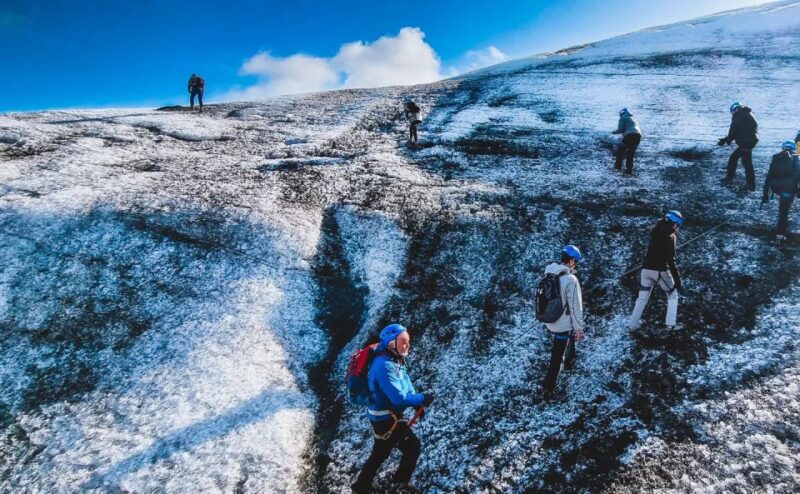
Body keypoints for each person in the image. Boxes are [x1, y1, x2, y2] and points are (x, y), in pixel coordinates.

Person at [352, 324, 434, 494]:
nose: (408, 345)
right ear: (391, 343)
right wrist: (422, 399)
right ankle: (397, 482)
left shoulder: (395, 360)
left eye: (408, 341)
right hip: (385, 419)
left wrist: (416, 401)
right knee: (411, 447)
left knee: (381, 453)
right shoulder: (384, 365)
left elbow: (406, 385)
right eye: (404, 341)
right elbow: (399, 397)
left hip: (387, 416)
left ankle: (361, 487)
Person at [541, 245, 586, 399]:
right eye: (576, 261)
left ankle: (569, 363)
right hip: (562, 324)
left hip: (550, 319)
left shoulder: (549, 275)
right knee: (557, 356)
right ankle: (548, 386)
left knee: (566, 341)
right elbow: (576, 308)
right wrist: (579, 329)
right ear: (572, 261)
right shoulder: (571, 279)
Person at [628, 211, 685, 331]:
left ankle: (632, 326)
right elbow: (671, 260)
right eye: (677, 225)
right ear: (674, 223)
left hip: (645, 271)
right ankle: (670, 325)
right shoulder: (671, 236)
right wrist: (677, 280)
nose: (677, 228)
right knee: (673, 295)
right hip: (661, 272)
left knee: (642, 298)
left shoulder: (656, 231)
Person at [761, 141, 800, 241]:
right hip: (788, 188)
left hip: (776, 187)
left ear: (783, 147)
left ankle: (782, 225)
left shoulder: (776, 157)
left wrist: (765, 194)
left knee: (783, 207)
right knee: (784, 209)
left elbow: (769, 176)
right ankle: (780, 233)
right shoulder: (796, 157)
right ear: (793, 148)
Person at [718, 102, 758, 191]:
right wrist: (726, 139)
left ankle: (730, 179)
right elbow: (742, 130)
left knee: (737, 159)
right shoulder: (748, 113)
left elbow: (733, 130)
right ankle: (750, 184)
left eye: (732, 112)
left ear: (735, 109)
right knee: (745, 162)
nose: (732, 114)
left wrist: (727, 141)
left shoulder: (738, 116)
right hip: (751, 141)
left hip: (746, 142)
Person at [611, 108, 642, 175]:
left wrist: (613, 132)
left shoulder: (623, 118)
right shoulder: (633, 119)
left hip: (629, 135)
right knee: (631, 153)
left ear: (621, 114)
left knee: (621, 150)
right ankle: (629, 170)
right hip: (638, 136)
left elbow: (620, 129)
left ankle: (617, 167)